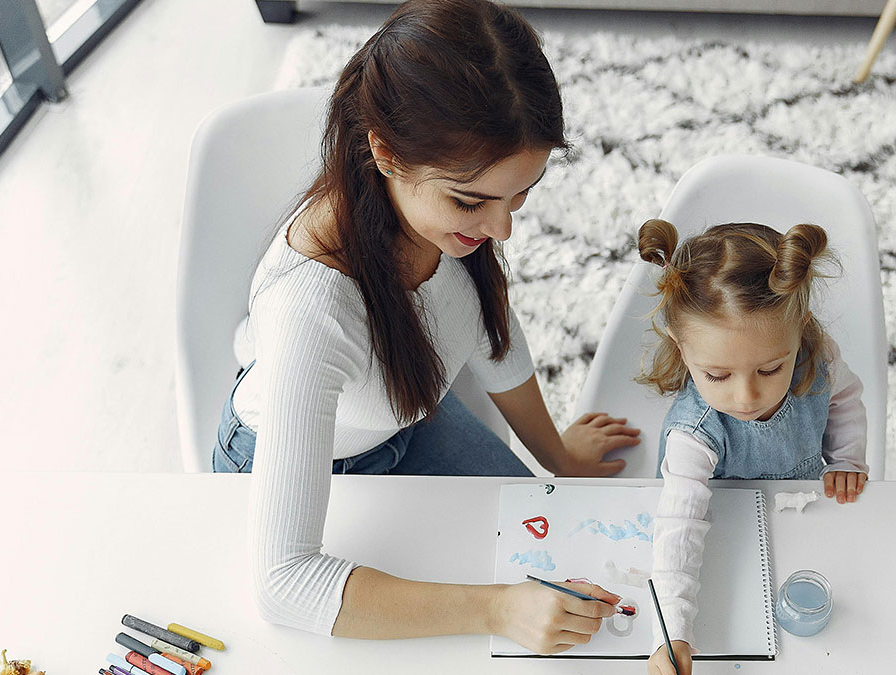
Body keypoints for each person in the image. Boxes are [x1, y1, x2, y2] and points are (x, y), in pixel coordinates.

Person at [210, 0, 640, 652]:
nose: (502, 230)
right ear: (384, 152)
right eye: (471, 201)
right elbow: (283, 584)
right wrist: (498, 610)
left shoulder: (439, 217)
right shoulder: (312, 312)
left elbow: (487, 327)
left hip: (406, 422)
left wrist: (557, 457)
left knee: (548, 542)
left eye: (519, 196)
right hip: (308, 458)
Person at [635, 218, 869, 674]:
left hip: (801, 521)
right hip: (719, 536)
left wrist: (845, 457)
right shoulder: (693, 434)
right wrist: (674, 631)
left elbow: (844, 397)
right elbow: (679, 527)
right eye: (717, 376)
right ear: (682, 347)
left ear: (799, 332)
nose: (745, 397)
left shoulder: (818, 360)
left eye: (769, 370)